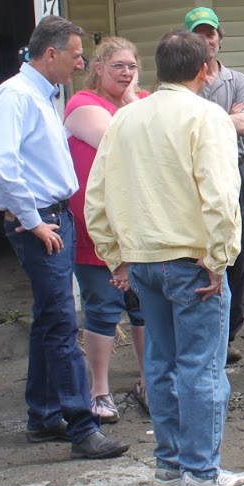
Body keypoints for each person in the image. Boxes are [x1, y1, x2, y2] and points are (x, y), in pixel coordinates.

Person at [86, 30, 244, 486]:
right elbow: (221, 196)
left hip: (143, 261)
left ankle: (170, 464)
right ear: (204, 70)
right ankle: (201, 471)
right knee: (201, 367)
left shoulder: (126, 118)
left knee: (160, 362)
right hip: (191, 261)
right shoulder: (208, 117)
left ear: (156, 69)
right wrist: (220, 260)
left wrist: (114, 255)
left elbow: (97, 196)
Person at [0, 15, 129, 461]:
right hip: (41, 220)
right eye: (75, 54)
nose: (80, 62)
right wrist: (32, 219)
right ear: (50, 55)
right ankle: (82, 427)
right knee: (64, 322)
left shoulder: (40, 95)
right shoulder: (16, 95)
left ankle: (44, 416)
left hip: (53, 216)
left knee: (50, 320)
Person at [65, 36, 148, 422]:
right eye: (117, 66)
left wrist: (133, 99)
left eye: (131, 66)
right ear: (97, 69)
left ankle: (150, 380)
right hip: (97, 226)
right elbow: (119, 141)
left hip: (142, 225)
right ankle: (98, 390)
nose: (126, 73)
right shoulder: (83, 105)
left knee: (144, 307)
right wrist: (135, 107)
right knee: (102, 307)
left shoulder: (142, 100)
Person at [184, 7, 244, 365]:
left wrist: (209, 120)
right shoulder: (183, 83)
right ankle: (204, 334)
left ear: (219, 38)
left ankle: (227, 335)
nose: (206, 40)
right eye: (198, 34)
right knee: (203, 251)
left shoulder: (238, 80)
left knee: (240, 251)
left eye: (210, 33)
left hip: (235, 168)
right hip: (194, 174)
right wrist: (227, 118)